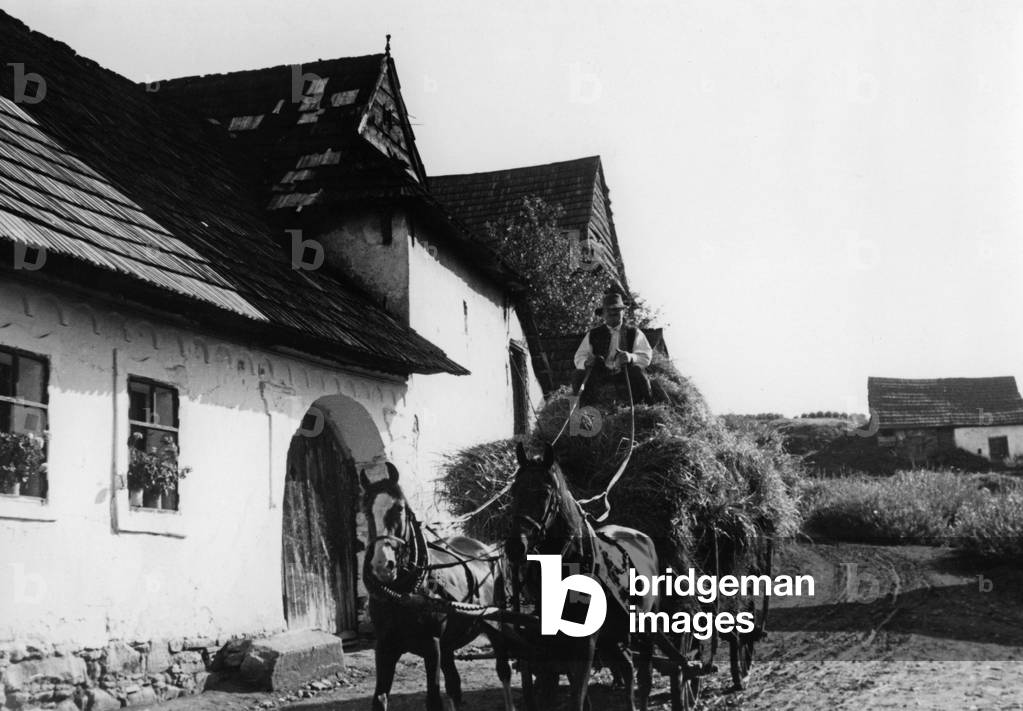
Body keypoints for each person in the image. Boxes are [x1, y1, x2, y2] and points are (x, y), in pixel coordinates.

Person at [573, 291, 653, 407]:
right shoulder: (593, 334)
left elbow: (646, 356)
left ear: (623, 312)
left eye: (617, 310)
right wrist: (586, 362)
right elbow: (579, 356)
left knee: (638, 372)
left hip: (624, 375)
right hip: (600, 375)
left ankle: (645, 409)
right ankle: (584, 413)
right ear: (603, 314)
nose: (612, 313)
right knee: (578, 375)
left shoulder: (634, 332)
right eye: (609, 310)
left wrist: (630, 357)